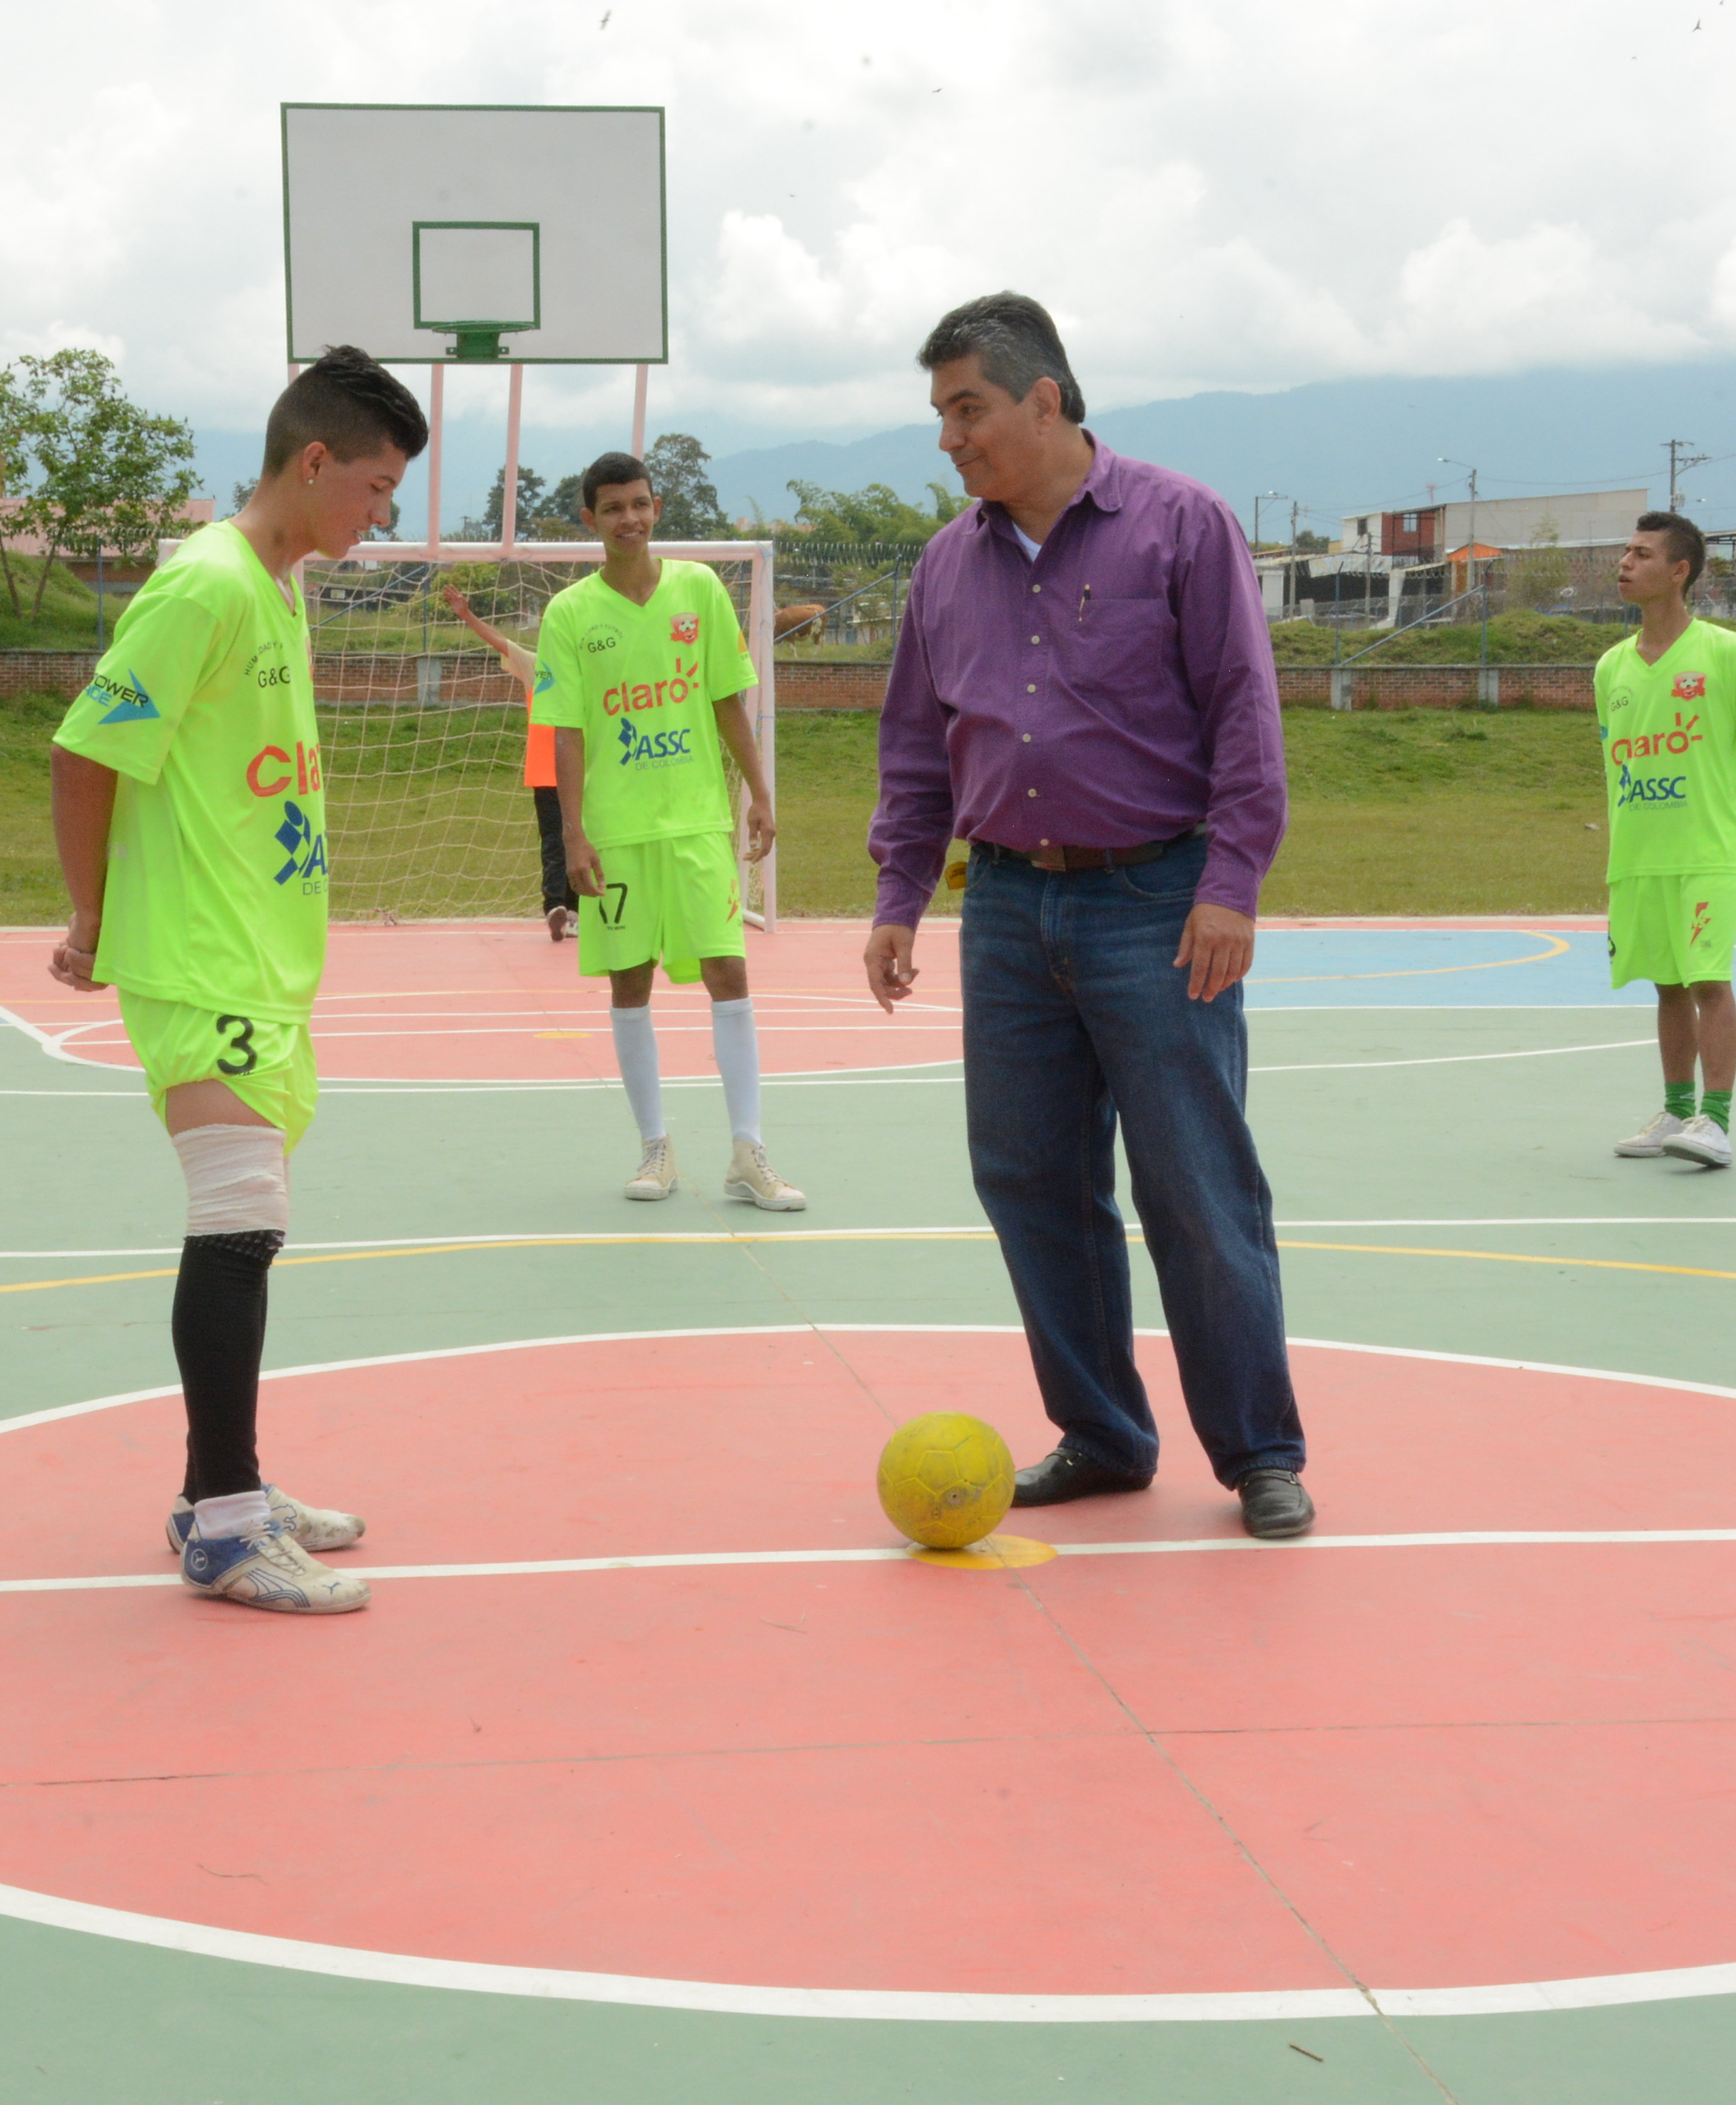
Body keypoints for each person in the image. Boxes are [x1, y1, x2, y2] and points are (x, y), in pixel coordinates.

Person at [863, 293, 1311, 1541]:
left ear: (1045, 398)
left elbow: (1244, 721)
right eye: (939, 413)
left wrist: (1230, 886)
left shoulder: (1181, 526)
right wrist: (900, 895)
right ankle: (1104, 1435)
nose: (949, 437)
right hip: (1005, 906)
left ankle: (1258, 1452)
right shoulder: (946, 563)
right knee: (1028, 1178)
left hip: (1156, 902)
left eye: (969, 408)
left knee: (1193, 1183)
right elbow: (916, 748)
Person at [45, 345, 427, 1615]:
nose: (383, 516)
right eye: (375, 487)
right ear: (314, 462)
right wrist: (92, 915)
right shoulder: (203, 587)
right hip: (198, 958)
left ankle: (230, 1488)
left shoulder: (280, 586)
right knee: (240, 1220)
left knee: (253, 1226)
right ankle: (222, 1525)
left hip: (260, 959)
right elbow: (87, 751)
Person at [532, 451, 803, 1212]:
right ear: (590, 519)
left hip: (694, 823)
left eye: (641, 505)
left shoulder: (699, 589)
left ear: (657, 509)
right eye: (614, 508)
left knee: (728, 973)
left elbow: (725, 700)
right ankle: (655, 1150)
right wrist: (574, 837)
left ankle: (748, 1153)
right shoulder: (569, 614)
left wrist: (757, 790)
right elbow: (566, 734)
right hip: (617, 834)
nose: (630, 519)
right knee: (629, 984)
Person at [1599, 512, 1736, 1170]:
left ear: (1679, 572)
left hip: (1707, 850)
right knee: (1667, 985)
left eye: (1641, 554)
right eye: (1624, 551)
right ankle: (1677, 1109)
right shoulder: (1610, 667)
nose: (1625, 562)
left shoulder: (1730, 654)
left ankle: (1717, 1122)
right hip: (1640, 854)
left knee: (1709, 981)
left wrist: (1714, 803)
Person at [440, 585, 579, 939]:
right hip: (547, 770)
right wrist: (465, 614)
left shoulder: (589, 670)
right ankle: (557, 908)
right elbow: (499, 641)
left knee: (580, 836)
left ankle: (578, 907)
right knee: (553, 839)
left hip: (582, 770)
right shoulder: (535, 665)